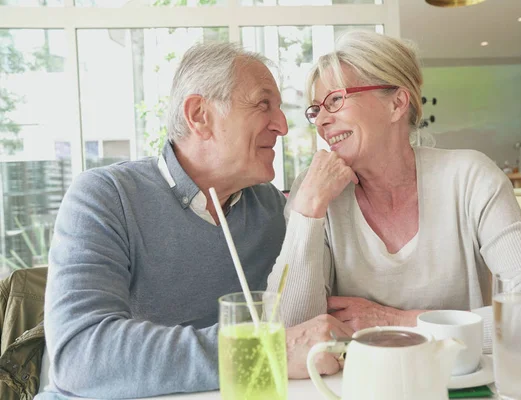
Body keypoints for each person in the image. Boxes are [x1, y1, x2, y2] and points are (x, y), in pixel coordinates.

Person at [37, 42, 353, 399]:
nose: (281, 125)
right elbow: (81, 356)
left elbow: (302, 329)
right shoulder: (106, 197)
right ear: (200, 115)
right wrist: (263, 351)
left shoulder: (266, 206)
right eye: (264, 104)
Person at [267, 30, 521, 355]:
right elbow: (288, 337)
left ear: (397, 103)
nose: (321, 121)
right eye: (316, 109)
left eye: (335, 100)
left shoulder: (469, 179)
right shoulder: (317, 193)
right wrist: (306, 210)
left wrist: (397, 322)